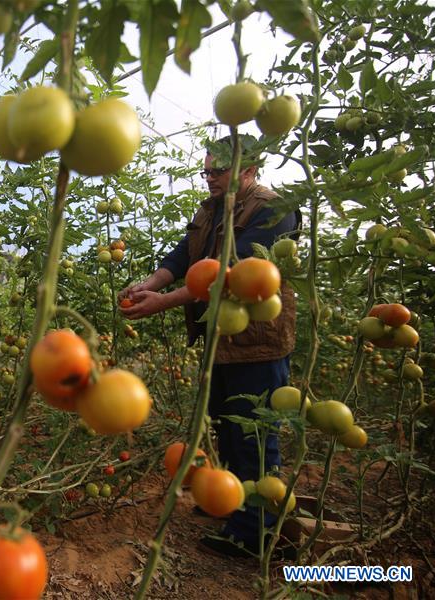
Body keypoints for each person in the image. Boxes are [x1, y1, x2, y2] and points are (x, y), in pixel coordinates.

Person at [119, 136, 301, 558]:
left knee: (253, 431)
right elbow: (183, 257)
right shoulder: (210, 210)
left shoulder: (273, 209)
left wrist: (164, 301)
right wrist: (149, 283)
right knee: (226, 426)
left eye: (218, 171)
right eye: (207, 171)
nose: (210, 179)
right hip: (221, 340)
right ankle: (235, 504)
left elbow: (231, 271)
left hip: (258, 342)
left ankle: (257, 531)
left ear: (250, 168)